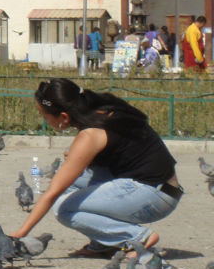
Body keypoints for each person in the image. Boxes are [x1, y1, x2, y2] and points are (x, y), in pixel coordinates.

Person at [10, 78, 181, 257]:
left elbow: (52, 193)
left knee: (64, 209)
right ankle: (103, 243)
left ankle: (138, 238)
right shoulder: (104, 111)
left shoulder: (90, 136)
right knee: (74, 179)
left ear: (64, 117)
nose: (44, 119)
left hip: (153, 196)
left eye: (44, 115)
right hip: (163, 188)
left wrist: (21, 233)